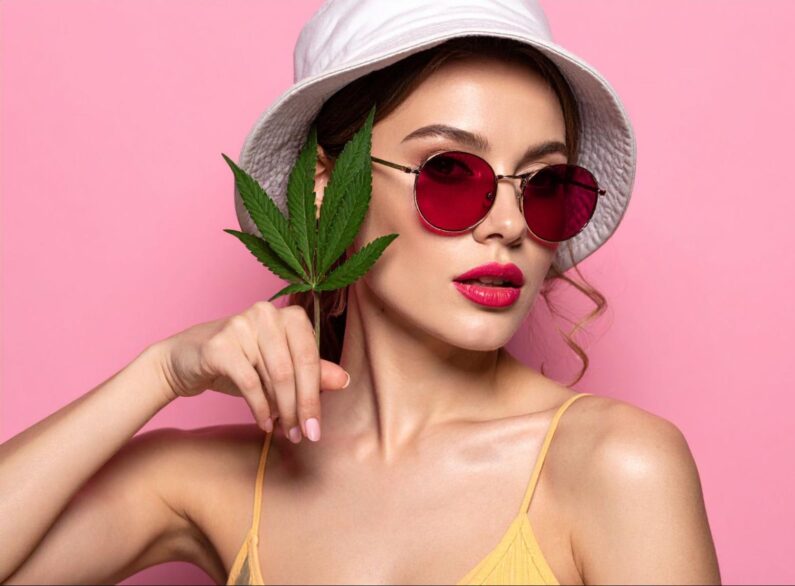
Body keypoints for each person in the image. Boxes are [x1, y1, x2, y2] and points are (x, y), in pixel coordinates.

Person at [0, 1, 721, 584]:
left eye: (545, 185)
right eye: (450, 172)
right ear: (326, 188)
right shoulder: (217, 482)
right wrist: (158, 372)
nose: (508, 226)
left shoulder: (615, 467)